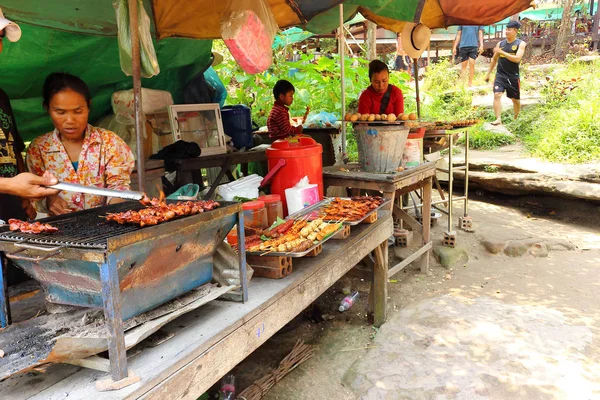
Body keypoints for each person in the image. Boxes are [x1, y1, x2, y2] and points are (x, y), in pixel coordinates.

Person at [27, 72, 135, 215]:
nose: (70, 120)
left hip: (105, 225)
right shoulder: (38, 149)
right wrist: (49, 200)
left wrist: (115, 208)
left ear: (88, 106)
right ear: (48, 109)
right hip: (60, 232)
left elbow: (119, 186)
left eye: (78, 111)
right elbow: (33, 194)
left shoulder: (110, 142)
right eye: (60, 112)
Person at [485, 21, 527, 125]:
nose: (506, 31)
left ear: (515, 31)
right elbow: (494, 59)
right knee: (497, 95)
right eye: (506, 29)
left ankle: (516, 117)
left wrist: (502, 52)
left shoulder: (520, 44)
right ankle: (498, 119)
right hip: (500, 75)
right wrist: (488, 73)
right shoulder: (500, 44)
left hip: (513, 76)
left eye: (509, 29)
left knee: (515, 100)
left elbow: (517, 59)